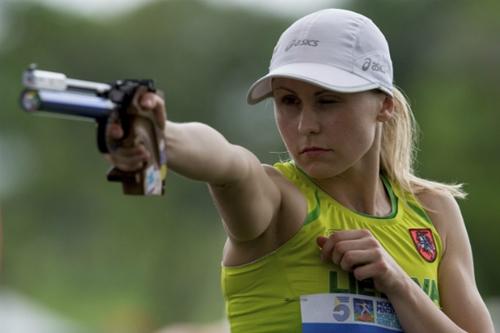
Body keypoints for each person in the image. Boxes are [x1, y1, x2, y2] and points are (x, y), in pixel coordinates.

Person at [106, 8, 495, 333]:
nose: (306, 124)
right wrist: (160, 138)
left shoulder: (434, 212)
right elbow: (229, 164)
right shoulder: (280, 201)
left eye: (327, 101)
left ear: (384, 106)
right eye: (288, 101)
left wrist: (398, 286)